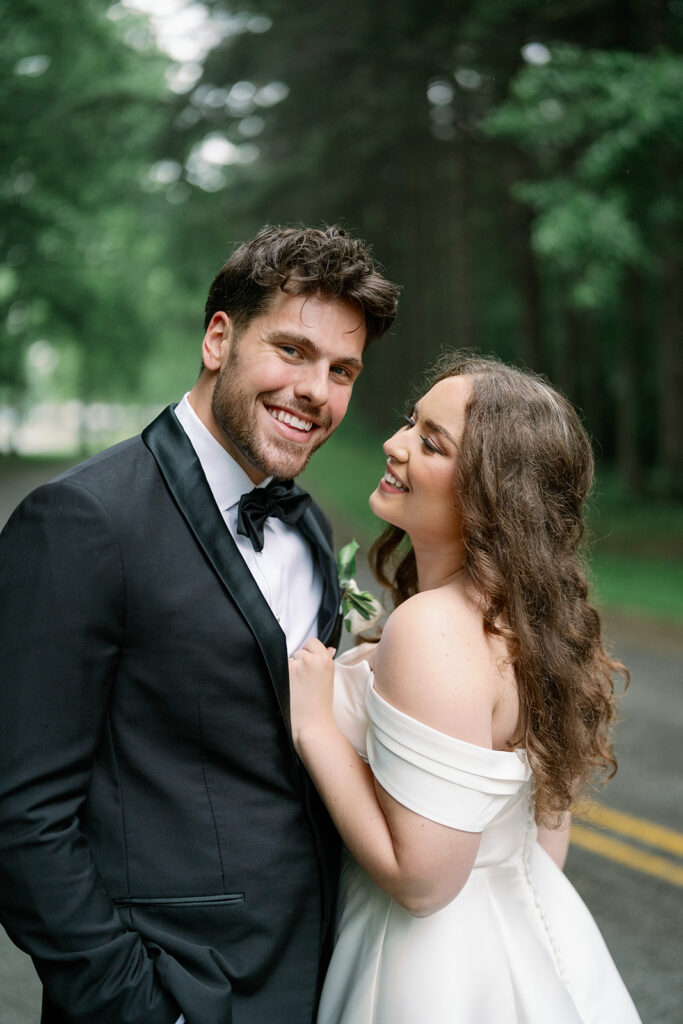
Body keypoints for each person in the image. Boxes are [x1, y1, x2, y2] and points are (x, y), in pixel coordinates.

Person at [0, 224, 399, 1024]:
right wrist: (137, 1006)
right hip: (174, 992)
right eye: (291, 350)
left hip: (318, 981)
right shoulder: (82, 521)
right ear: (219, 338)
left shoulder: (311, 526)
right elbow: (21, 816)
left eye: (341, 369)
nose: (316, 390)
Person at [289, 352, 642, 1023]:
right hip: (530, 932)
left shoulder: (434, 629)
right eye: (407, 424)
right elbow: (547, 835)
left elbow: (422, 883)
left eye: (429, 443)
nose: (392, 446)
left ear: (491, 493)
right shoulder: (531, 623)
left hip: (427, 970)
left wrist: (313, 725)